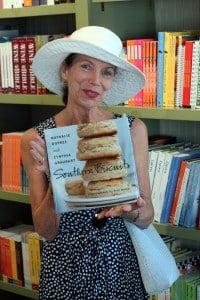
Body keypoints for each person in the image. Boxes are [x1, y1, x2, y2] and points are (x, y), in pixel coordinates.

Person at [21, 26, 154, 300]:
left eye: (107, 72)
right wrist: (57, 179)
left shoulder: (131, 130)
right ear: (65, 70)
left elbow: (146, 216)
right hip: (65, 269)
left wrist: (129, 210)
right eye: (85, 66)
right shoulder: (37, 139)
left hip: (120, 264)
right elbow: (46, 230)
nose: (96, 80)